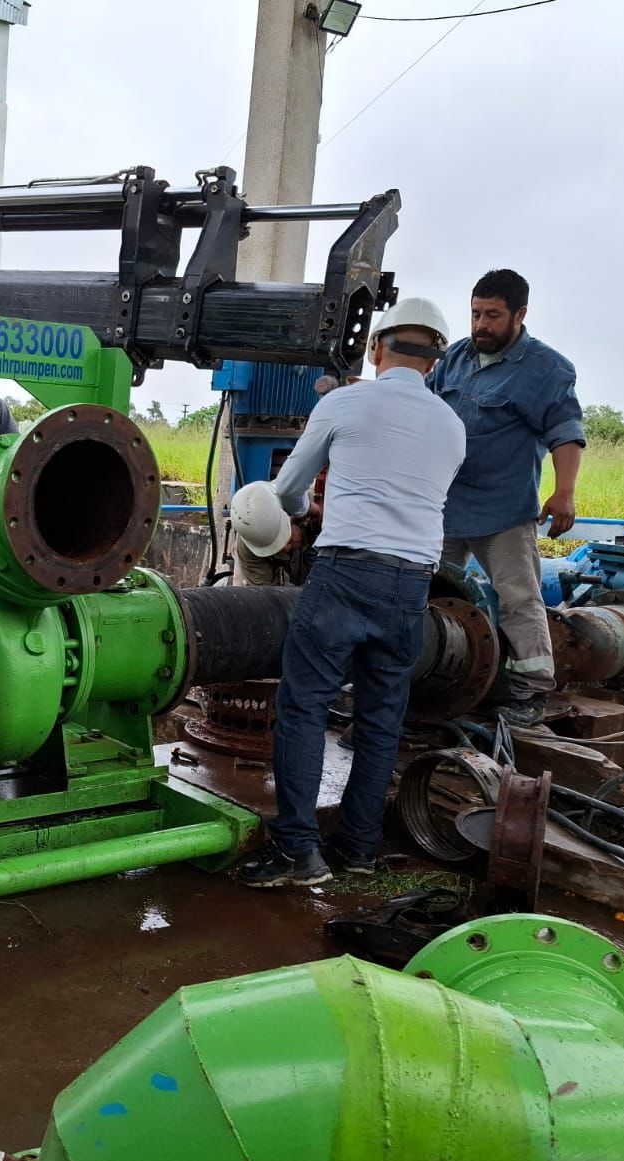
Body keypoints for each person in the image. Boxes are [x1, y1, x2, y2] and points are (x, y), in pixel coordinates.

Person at [238, 298, 466, 887]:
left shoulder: (343, 402)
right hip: (412, 583)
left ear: (375, 347)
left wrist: (306, 507)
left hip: (346, 573)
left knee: (305, 706)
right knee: (381, 717)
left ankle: (297, 850)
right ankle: (359, 847)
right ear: (435, 361)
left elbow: (288, 490)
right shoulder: (451, 424)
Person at [431, 269, 585, 726]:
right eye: (476, 313)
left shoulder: (547, 369)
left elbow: (565, 433)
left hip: (503, 508)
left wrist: (564, 492)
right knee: (424, 588)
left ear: (520, 314)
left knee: (518, 597)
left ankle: (530, 689)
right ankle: (428, 674)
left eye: (493, 315)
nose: (481, 324)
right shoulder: (453, 358)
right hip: (444, 505)